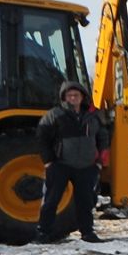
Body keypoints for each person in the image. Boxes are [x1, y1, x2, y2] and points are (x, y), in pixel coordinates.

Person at [36, 81, 107, 243]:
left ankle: (87, 233)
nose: (73, 98)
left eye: (76, 95)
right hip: (61, 164)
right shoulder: (54, 115)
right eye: (70, 95)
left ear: (82, 97)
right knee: (51, 200)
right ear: (64, 97)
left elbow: (103, 137)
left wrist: (99, 162)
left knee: (85, 201)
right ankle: (43, 233)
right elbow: (42, 138)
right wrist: (48, 161)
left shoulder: (92, 116)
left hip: (87, 166)